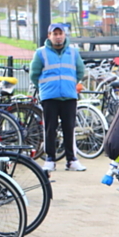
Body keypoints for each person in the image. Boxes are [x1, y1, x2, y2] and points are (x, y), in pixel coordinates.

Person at [30, 23, 86, 172]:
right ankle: (50, 159)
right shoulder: (40, 53)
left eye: (60, 33)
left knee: (69, 128)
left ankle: (71, 159)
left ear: (64, 35)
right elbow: (34, 74)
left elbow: (80, 71)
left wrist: (70, 84)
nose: (58, 37)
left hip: (69, 96)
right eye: (55, 34)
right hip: (50, 97)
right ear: (49, 36)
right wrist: (44, 88)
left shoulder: (73, 52)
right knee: (50, 129)